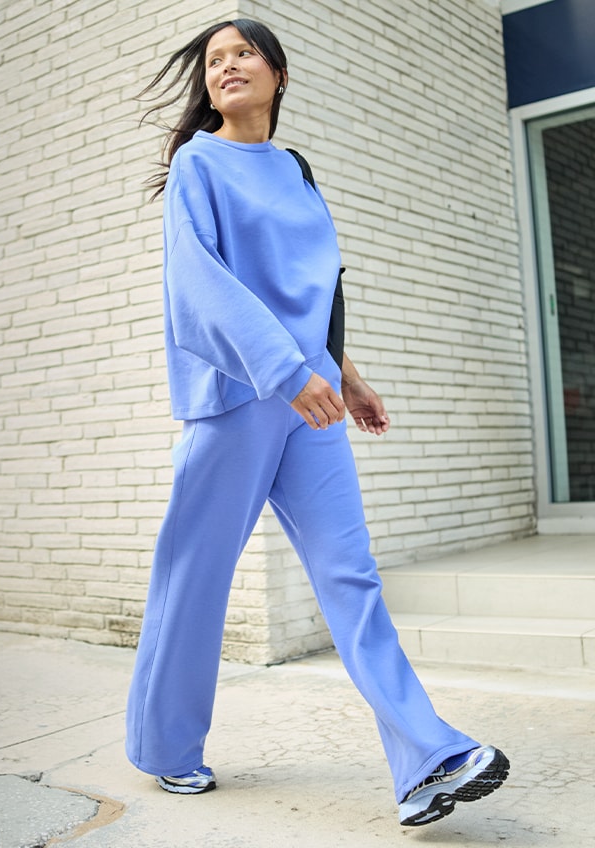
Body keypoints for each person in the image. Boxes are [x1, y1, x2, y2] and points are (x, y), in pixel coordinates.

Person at [124, 19, 509, 827]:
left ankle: (425, 759)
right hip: (238, 398)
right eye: (214, 60)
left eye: (242, 53)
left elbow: (319, 287)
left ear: (278, 72)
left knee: (350, 575)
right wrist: (286, 370)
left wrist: (346, 375)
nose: (227, 66)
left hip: (315, 399)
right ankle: (164, 750)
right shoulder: (199, 162)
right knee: (195, 580)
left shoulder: (296, 169)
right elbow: (202, 284)